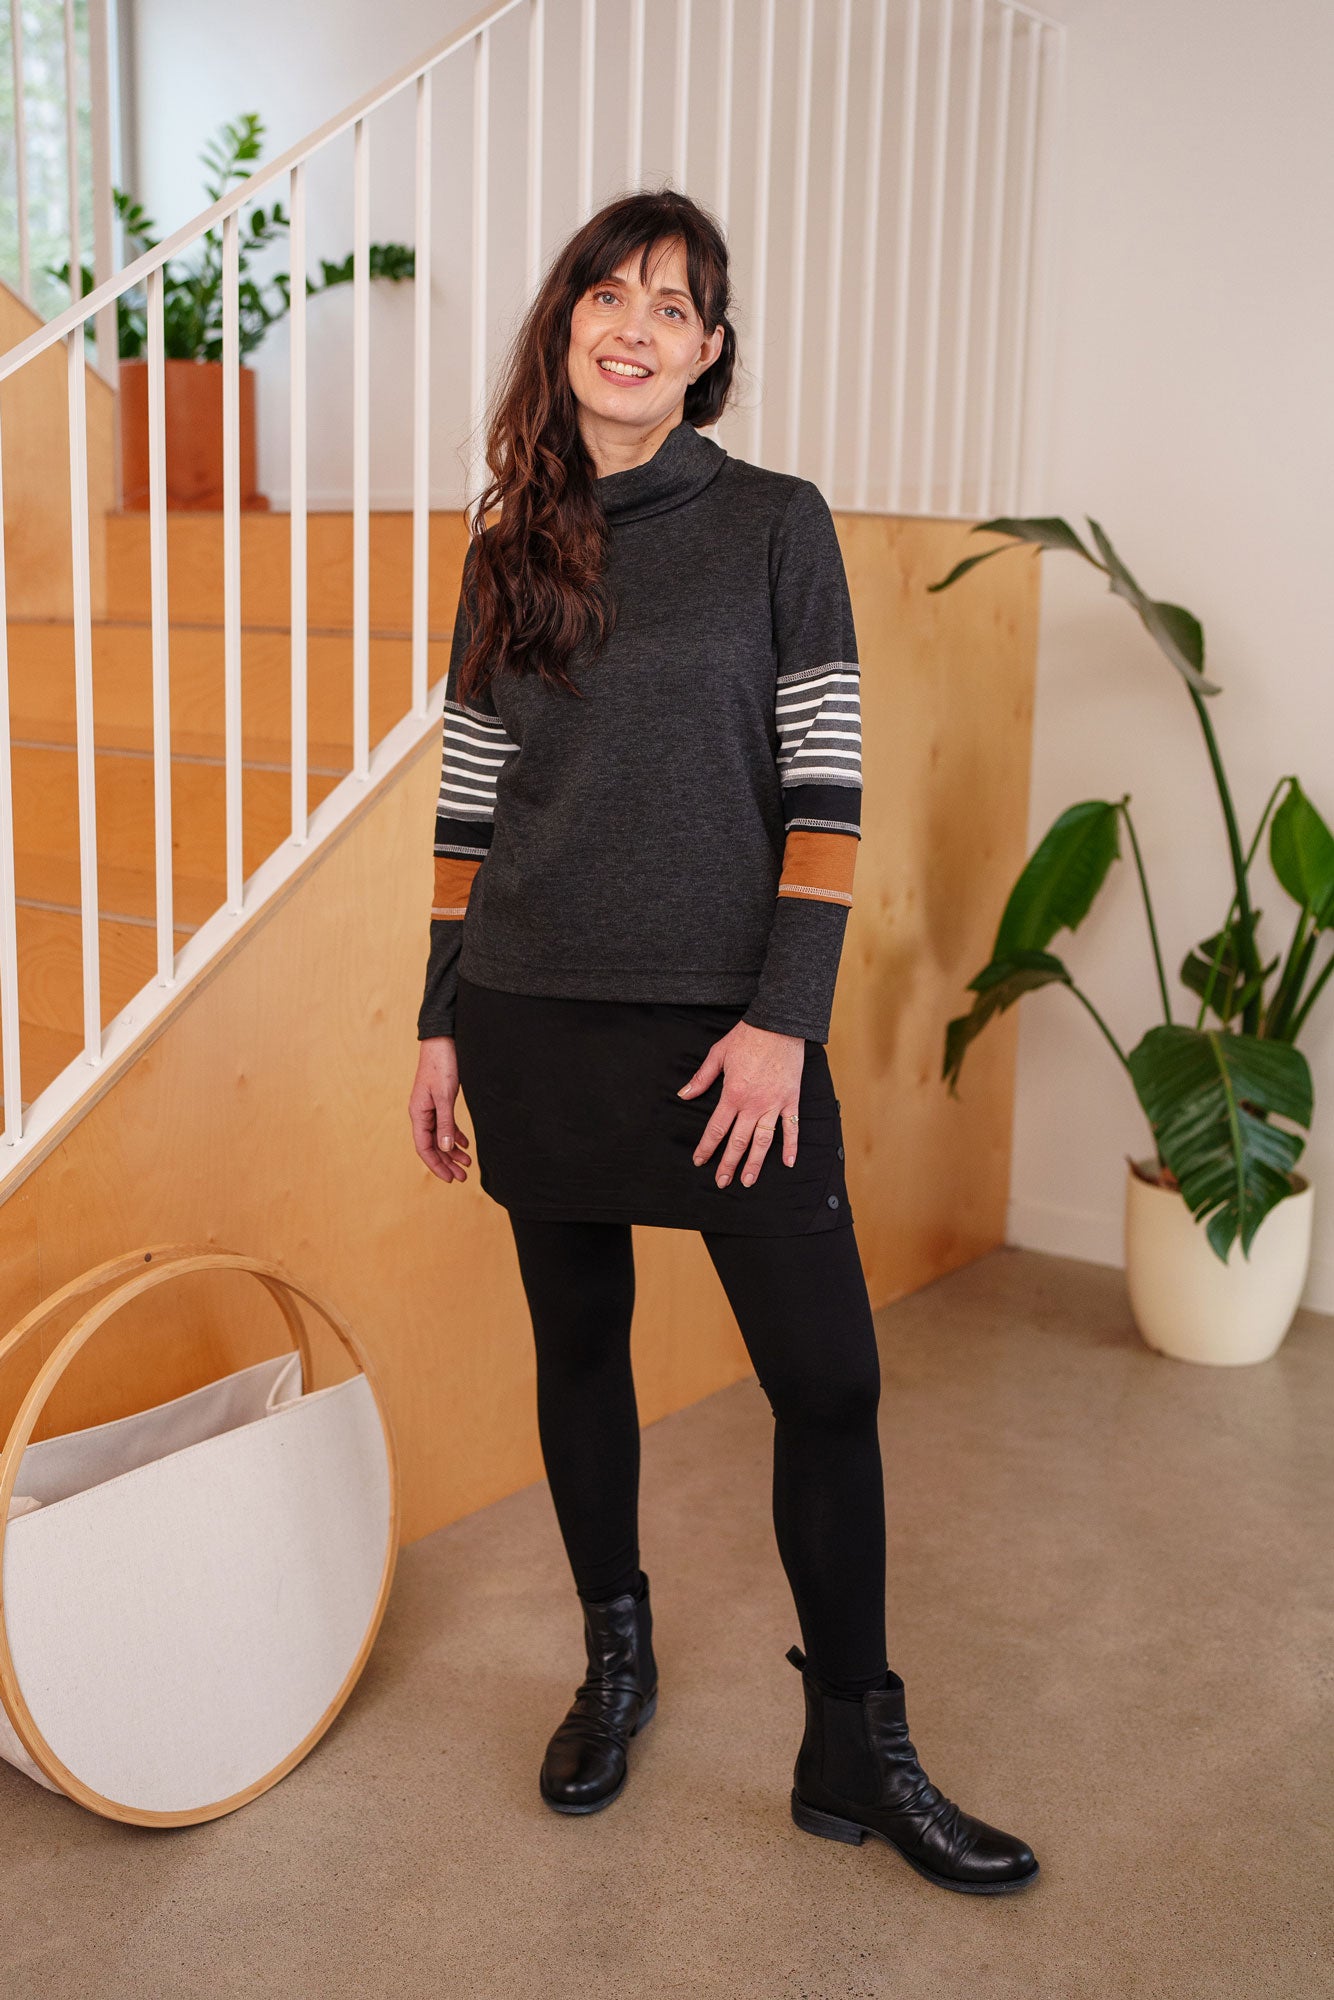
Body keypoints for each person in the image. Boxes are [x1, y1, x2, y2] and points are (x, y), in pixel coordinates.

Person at [408, 189, 1038, 1896]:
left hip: (724, 1035)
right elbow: (473, 803)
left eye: (674, 307)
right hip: (533, 1011)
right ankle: (616, 1659)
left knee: (827, 1382)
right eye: (606, 294)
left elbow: (826, 793)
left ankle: (854, 1735)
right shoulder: (506, 547)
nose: (635, 324)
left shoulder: (775, 522)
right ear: (565, 329)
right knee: (578, 1345)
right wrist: (440, 1018)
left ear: (708, 353)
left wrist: (779, 1024)